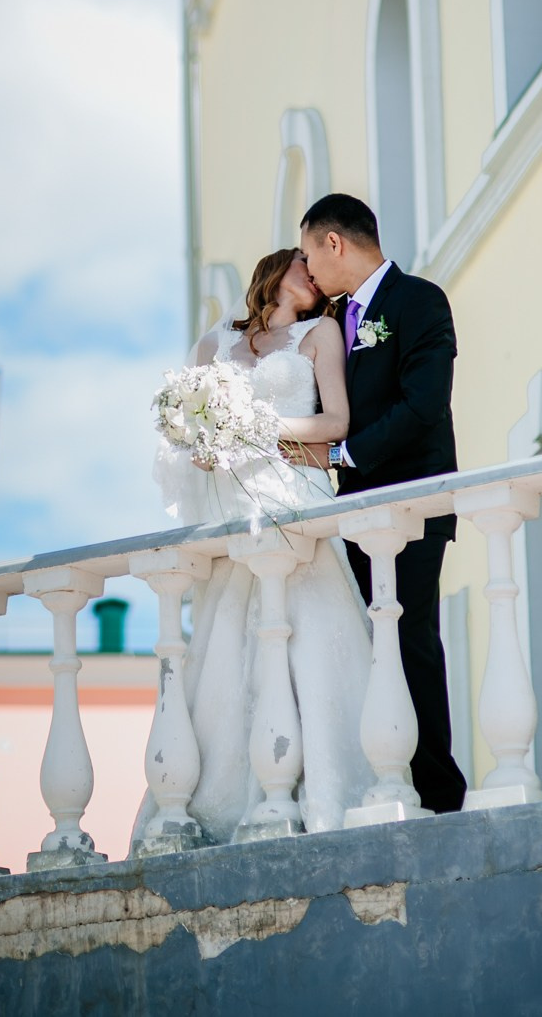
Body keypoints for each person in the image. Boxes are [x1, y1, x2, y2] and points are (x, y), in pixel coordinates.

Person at [149, 247, 375, 841]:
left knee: (309, 638)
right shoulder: (214, 344)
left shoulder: (320, 333)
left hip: (293, 500)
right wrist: (203, 444)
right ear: (276, 270)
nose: (315, 274)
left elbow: (335, 424)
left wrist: (254, 428)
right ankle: (226, 799)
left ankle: (320, 792)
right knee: (228, 648)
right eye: (304, 262)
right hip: (233, 509)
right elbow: (189, 439)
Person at [299, 192, 467, 814]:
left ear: (334, 242)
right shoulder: (328, 320)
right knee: (364, 645)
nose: (306, 269)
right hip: (347, 515)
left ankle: (438, 794)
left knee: (411, 639)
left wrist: (344, 456)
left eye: (309, 254)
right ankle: (383, 780)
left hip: (411, 504)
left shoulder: (419, 300)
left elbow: (424, 405)